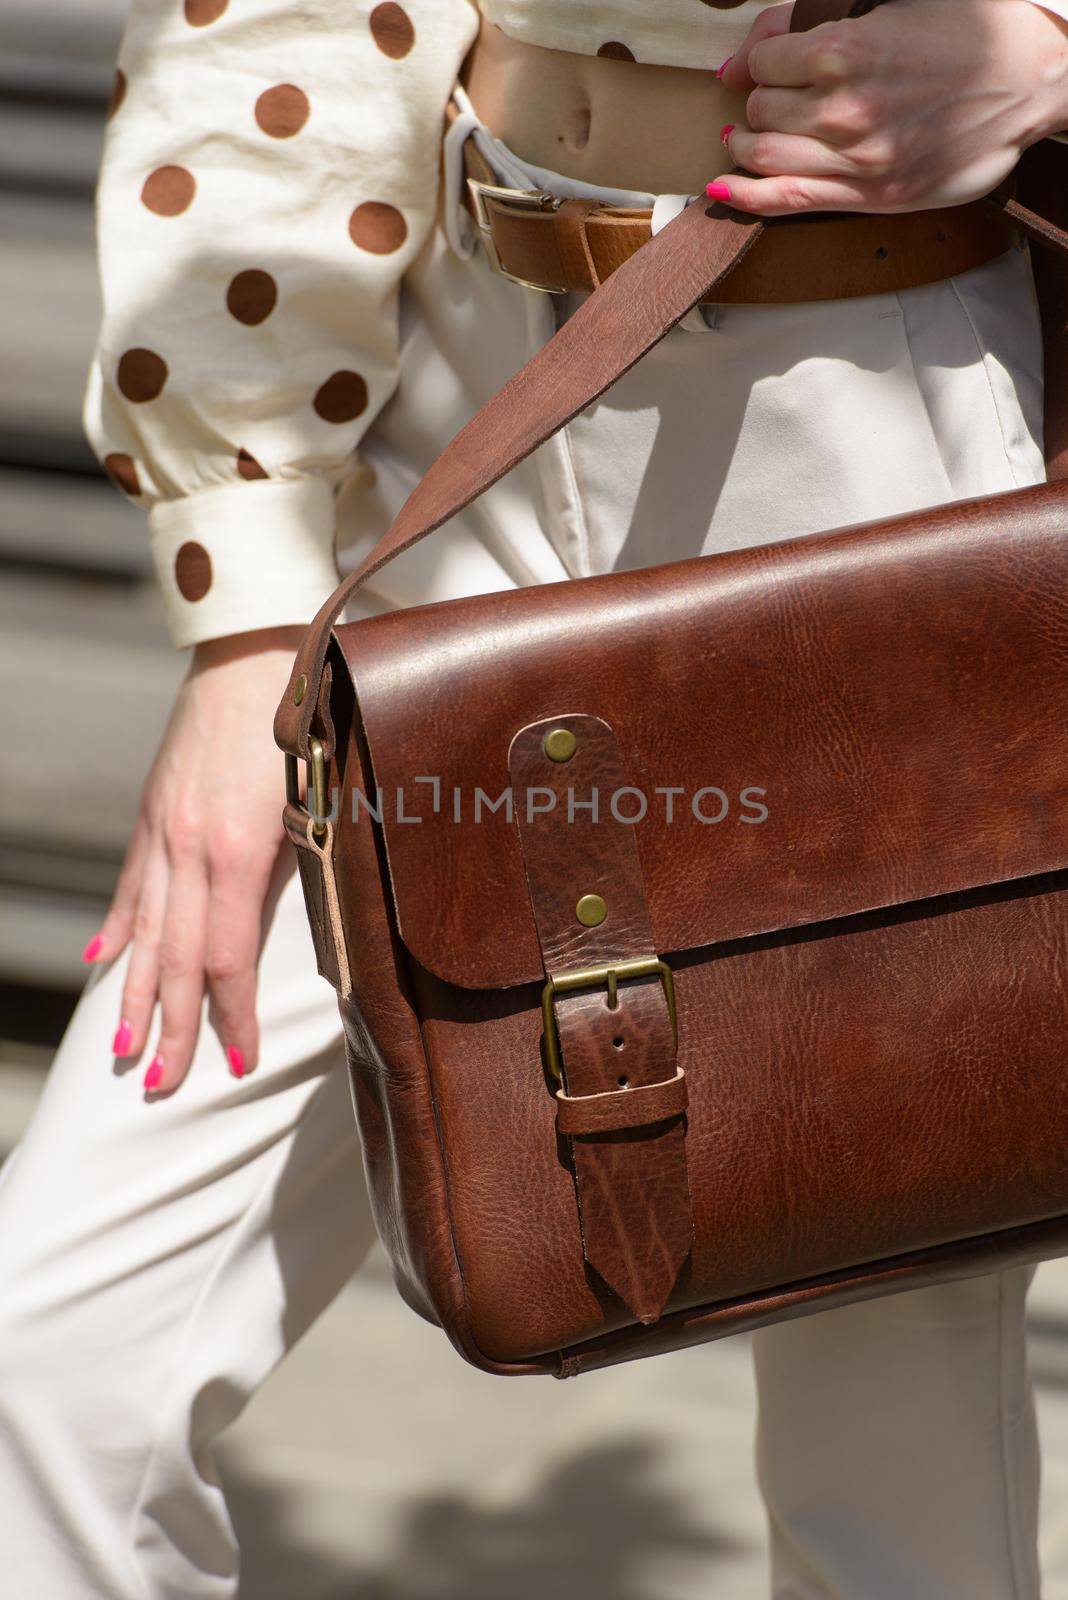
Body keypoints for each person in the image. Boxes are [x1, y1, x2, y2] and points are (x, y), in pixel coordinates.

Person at [3, 0, 1068, 1593]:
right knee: (56, 1353)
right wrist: (244, 610)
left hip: (861, 397)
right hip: (465, 406)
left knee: (886, 1441)